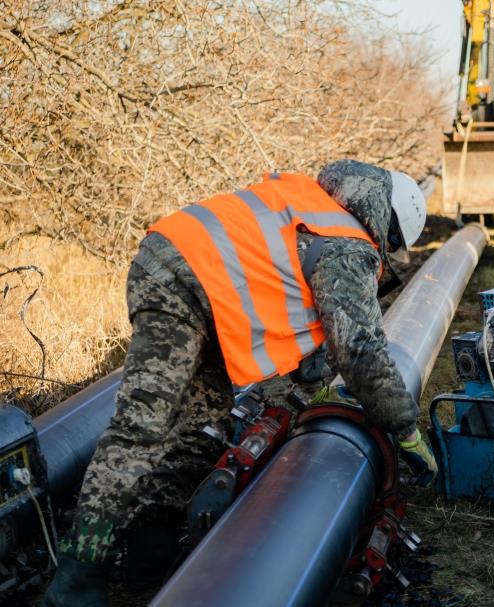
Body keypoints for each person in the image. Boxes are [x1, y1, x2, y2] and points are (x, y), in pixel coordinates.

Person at [43, 160, 438, 607]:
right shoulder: (347, 244)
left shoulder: (313, 204)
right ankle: (77, 577)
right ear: (387, 226)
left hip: (194, 284)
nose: (386, 253)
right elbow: (361, 349)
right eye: (393, 245)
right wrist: (405, 429)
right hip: (178, 281)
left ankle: (146, 564)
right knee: (142, 428)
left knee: (198, 431)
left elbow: (298, 314)